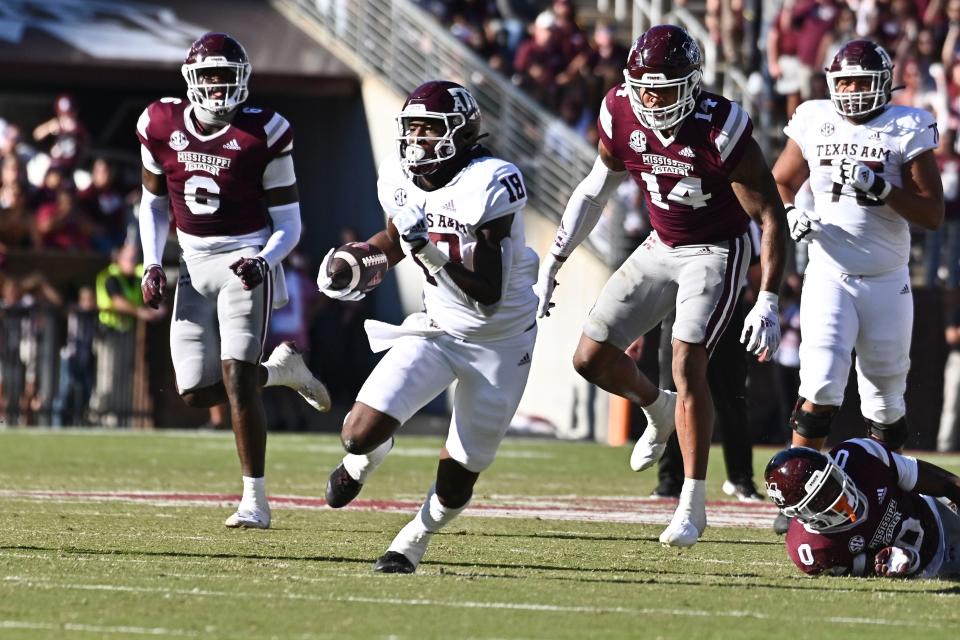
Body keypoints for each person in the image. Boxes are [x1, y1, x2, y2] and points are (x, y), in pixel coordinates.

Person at [535, 24, 788, 547]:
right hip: (661, 243)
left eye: (664, 88)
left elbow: (769, 214)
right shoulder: (620, 109)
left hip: (717, 248)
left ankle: (692, 503)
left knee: (686, 358)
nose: (651, 99)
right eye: (643, 87)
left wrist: (767, 298)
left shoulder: (719, 125)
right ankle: (658, 408)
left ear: (691, 84)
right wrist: (554, 258)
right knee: (589, 356)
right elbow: (595, 189)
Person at [317, 80, 539, 573]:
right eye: (411, 128)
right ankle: (364, 461)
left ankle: (411, 540)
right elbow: (395, 240)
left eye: (429, 129)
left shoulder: (491, 183)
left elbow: (487, 293)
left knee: (460, 477)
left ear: (461, 134)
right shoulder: (397, 174)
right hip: (438, 328)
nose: (416, 140)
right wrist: (358, 263)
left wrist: (427, 250)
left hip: (498, 342)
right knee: (357, 434)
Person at [136, 32, 330, 529]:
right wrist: (152, 262)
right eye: (210, 77)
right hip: (192, 264)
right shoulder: (159, 122)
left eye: (228, 76)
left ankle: (255, 501)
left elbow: (290, 223)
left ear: (243, 80)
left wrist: (264, 259)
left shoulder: (264, 132)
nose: (220, 88)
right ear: (192, 80)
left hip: (245, 260)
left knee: (237, 378)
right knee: (196, 393)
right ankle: (281, 372)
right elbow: (154, 203)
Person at [771, 40, 944, 455]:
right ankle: (798, 492)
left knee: (885, 399)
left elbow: (932, 214)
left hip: (887, 280)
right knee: (821, 383)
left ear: (883, 84)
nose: (850, 91)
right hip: (829, 273)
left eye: (860, 82)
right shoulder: (815, 118)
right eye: (844, 82)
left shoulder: (907, 125)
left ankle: (887, 494)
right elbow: (778, 181)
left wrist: (882, 188)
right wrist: (791, 210)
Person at [763, 442, 960, 578]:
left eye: (831, 484)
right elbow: (868, 566)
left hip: (940, 514)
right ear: (798, 514)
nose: (838, 498)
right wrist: (908, 560)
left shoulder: (860, 458)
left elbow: (942, 483)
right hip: (930, 568)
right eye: (819, 500)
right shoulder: (811, 550)